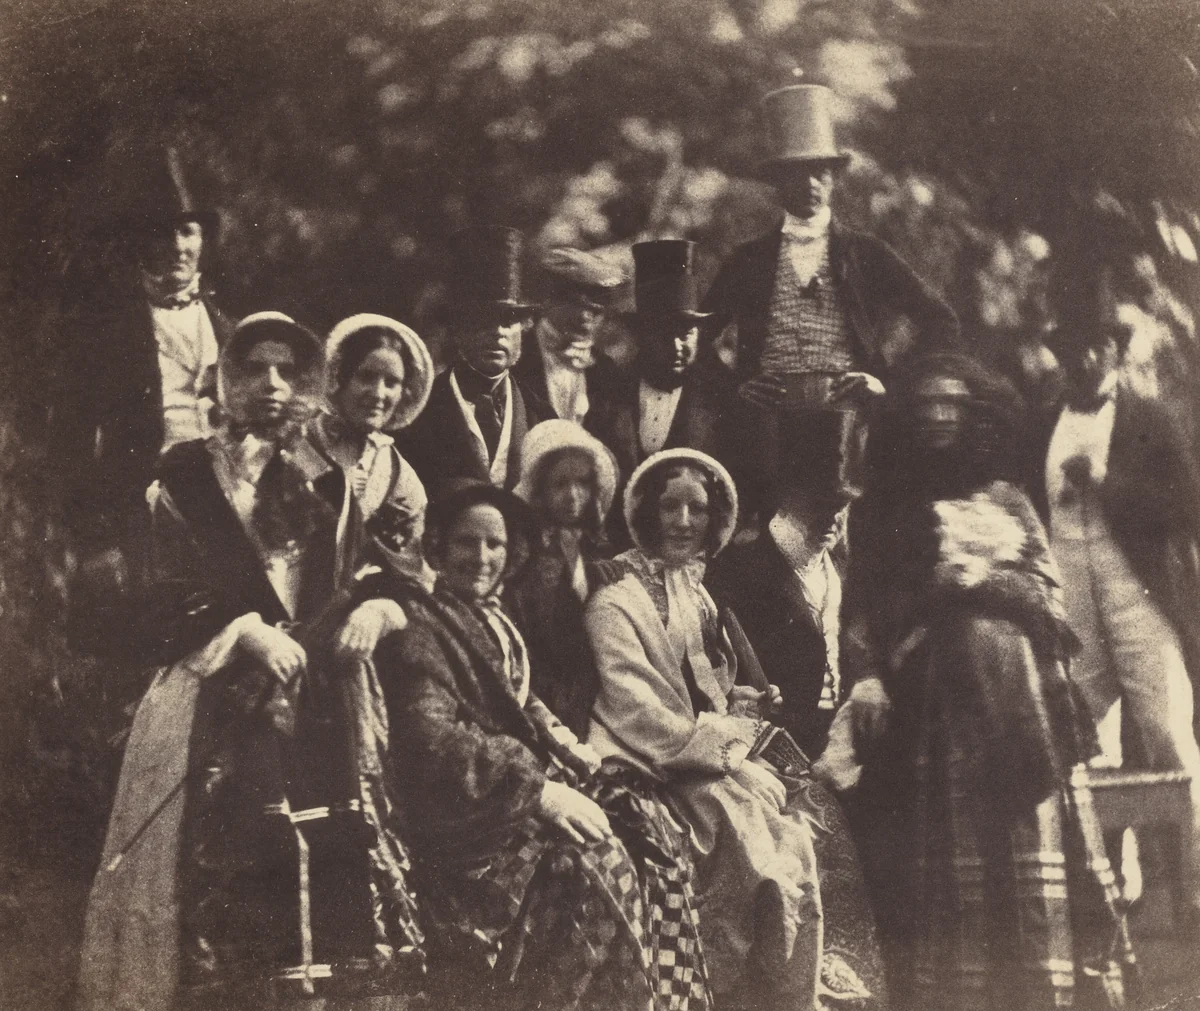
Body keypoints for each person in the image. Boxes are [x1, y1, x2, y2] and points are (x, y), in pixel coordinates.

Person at [79, 313, 422, 1011]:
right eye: (254, 369)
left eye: (287, 372)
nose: (271, 385)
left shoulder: (315, 481)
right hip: (208, 688)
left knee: (321, 860)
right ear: (226, 381)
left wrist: (376, 608)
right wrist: (242, 630)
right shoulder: (184, 473)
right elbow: (156, 591)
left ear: (307, 386)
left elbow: (370, 572)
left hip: (312, 696)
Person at [835, 352, 1134, 1010]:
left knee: (1036, 850)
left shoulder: (1011, 502)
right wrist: (867, 676)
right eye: (926, 405)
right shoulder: (888, 510)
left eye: (953, 403)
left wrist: (982, 584)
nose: (940, 415)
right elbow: (861, 610)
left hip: (1028, 695)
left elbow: (1050, 598)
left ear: (977, 416)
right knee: (958, 878)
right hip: (935, 701)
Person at [370, 481, 711, 1011]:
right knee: (591, 866)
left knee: (652, 831)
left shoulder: (489, 615)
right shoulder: (420, 626)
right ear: (435, 547)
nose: (481, 558)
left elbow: (520, 700)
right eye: (466, 543)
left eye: (495, 545)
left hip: (505, 793)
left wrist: (570, 749)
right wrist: (540, 792)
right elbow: (433, 741)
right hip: (463, 820)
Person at [585, 449, 880, 1010]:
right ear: (644, 514)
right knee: (743, 838)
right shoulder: (615, 598)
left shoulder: (698, 594)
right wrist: (731, 755)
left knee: (793, 831)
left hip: (700, 752)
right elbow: (637, 706)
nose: (683, 521)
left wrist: (740, 705)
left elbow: (706, 686)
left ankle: (786, 991)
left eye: (697, 508)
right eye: (669, 506)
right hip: (644, 757)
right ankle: (727, 987)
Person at [702, 83, 958, 517]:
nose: (810, 183)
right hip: (766, 428)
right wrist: (736, 388)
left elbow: (940, 321)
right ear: (777, 182)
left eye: (820, 171)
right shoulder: (748, 259)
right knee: (768, 531)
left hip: (847, 425)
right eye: (796, 172)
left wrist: (888, 383)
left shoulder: (866, 253)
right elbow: (695, 336)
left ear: (835, 178)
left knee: (840, 531)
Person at [1032, 316, 1200, 919]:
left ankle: (1196, 883)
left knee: (1165, 728)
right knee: (1084, 734)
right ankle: (1109, 887)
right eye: (1070, 350)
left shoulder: (1148, 419)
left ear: (1113, 350)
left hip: (1138, 591)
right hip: (1070, 595)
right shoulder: (1043, 422)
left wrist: (1109, 483)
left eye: (1095, 347)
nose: (1084, 360)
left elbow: (1187, 503)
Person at [55, 148, 235, 650]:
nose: (178, 246)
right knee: (151, 655)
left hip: (228, 516)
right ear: (138, 244)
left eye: (188, 231)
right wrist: (95, 540)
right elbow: (69, 443)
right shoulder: (104, 333)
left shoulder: (233, 330)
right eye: (163, 232)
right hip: (142, 520)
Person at [707, 411, 861, 757]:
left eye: (842, 505)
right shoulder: (737, 571)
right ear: (787, 494)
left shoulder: (843, 570)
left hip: (840, 740)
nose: (833, 517)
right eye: (818, 502)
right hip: (771, 747)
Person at [395, 226, 546, 498]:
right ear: (457, 329)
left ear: (523, 330)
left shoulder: (541, 414)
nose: (498, 332)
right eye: (483, 320)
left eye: (509, 321)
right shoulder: (419, 413)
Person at [311, 312, 436, 588]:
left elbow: (410, 569)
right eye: (366, 377)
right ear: (339, 377)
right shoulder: (298, 442)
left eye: (391, 383)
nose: (378, 394)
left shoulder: (396, 474)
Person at [510, 418, 618, 735]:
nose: (573, 496)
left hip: (589, 681)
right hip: (545, 685)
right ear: (540, 491)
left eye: (582, 483)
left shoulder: (587, 544)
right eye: (560, 485)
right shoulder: (527, 553)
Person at [598, 240, 726, 489]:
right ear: (642, 335)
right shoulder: (608, 394)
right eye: (665, 334)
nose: (677, 346)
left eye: (686, 333)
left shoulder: (721, 399)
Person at [512, 246, 625, 431]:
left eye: (596, 311)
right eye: (576, 305)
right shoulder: (516, 356)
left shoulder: (606, 371)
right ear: (551, 301)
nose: (585, 317)